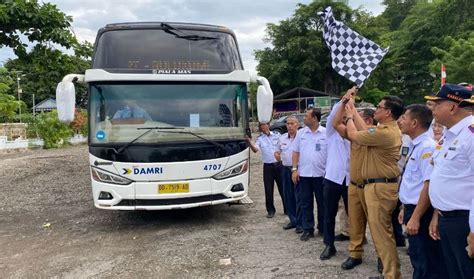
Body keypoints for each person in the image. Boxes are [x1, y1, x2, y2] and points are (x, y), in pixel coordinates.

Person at [345, 95, 404, 279]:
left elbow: (354, 135)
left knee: (382, 235)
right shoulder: (384, 130)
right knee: (381, 234)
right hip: (378, 187)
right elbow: (364, 130)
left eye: (378, 107)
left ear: (387, 112)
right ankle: (389, 271)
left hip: (380, 188)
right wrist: (352, 109)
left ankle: (391, 275)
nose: (375, 109)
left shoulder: (386, 132)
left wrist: (348, 117)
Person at [425, 83, 474, 279]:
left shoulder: (470, 135)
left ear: (453, 107)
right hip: (448, 219)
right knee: (453, 273)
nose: (433, 108)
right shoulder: (451, 135)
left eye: (438, 103)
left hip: (464, 221)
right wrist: (438, 215)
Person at [397, 104, 446, 279]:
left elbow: (428, 184)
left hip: (422, 212)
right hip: (413, 208)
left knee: (426, 261)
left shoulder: (426, 147)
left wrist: (416, 217)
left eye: (404, 117)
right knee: (418, 257)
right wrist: (404, 207)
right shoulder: (414, 144)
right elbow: (412, 181)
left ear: (415, 122)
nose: (400, 121)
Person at [319, 98, 350, 260]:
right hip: (332, 178)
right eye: (341, 117)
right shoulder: (330, 134)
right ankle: (329, 245)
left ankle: (356, 245)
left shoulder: (355, 135)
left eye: (346, 117)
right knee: (329, 214)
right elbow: (332, 118)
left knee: (355, 215)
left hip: (351, 180)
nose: (343, 119)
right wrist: (344, 102)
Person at [291, 108, 327, 241]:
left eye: (306, 116)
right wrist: (294, 169)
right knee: (305, 202)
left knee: (322, 203)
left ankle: (323, 228)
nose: (304, 118)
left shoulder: (325, 133)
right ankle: (308, 229)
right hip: (304, 175)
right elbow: (295, 152)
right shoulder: (301, 133)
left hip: (321, 174)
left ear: (315, 119)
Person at [247, 122, 285, 218]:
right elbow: (255, 149)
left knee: (283, 188)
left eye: (264, 125)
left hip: (279, 165)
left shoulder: (277, 135)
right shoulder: (260, 139)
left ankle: (287, 208)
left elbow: (283, 146)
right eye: (261, 126)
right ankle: (270, 210)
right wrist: (249, 143)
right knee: (268, 189)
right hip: (268, 167)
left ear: (268, 125)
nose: (263, 127)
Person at [275, 115, 302, 232]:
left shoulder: (302, 137)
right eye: (288, 123)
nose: (289, 126)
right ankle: (293, 220)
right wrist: (276, 155)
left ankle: (300, 223)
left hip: (298, 170)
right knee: (288, 196)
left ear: (298, 125)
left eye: (292, 123)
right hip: (285, 169)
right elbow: (278, 151)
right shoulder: (282, 138)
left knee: (299, 197)